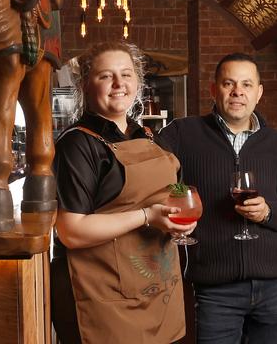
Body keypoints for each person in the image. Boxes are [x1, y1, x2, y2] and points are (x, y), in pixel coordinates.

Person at [160, 52, 277, 343]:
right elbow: (148, 164)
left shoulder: (276, 144)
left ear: (258, 93)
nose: (237, 92)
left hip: (274, 286)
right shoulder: (184, 133)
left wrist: (269, 212)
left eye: (246, 84)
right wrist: (174, 195)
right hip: (215, 288)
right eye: (228, 83)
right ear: (213, 89)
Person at [51, 41, 196, 344]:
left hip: (159, 292)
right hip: (105, 299)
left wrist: (184, 213)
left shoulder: (149, 135)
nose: (119, 84)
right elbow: (71, 231)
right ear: (85, 85)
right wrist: (148, 216)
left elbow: (176, 186)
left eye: (127, 75)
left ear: (138, 82)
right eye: (106, 76)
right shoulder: (77, 145)